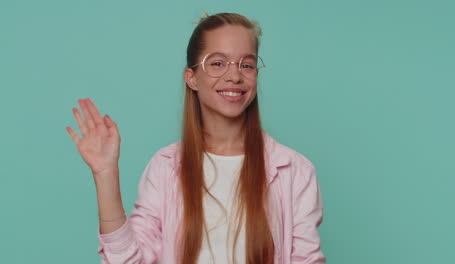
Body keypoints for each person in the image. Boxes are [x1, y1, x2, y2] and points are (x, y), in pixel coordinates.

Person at [66, 12, 326, 264]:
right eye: (217, 63)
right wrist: (105, 174)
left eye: (246, 64)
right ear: (192, 78)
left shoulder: (295, 170)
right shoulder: (165, 167)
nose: (234, 76)